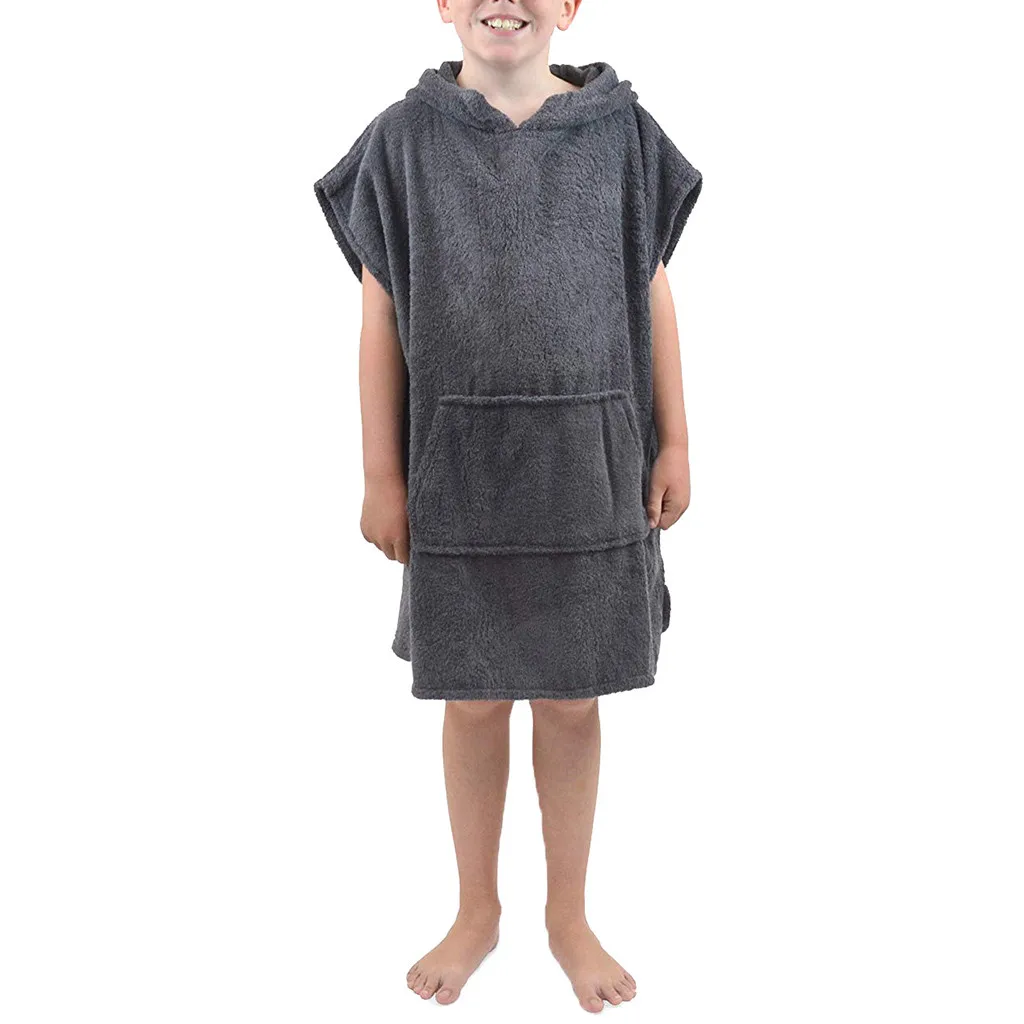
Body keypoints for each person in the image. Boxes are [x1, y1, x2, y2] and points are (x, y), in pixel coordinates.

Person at [312, 0, 701, 1012]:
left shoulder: (623, 136)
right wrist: (381, 475)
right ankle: (476, 908)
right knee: (474, 696)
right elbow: (378, 312)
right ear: (443, 4)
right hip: (461, 472)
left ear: (569, 7)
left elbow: (653, 290)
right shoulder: (402, 142)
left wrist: (677, 439)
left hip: (590, 466)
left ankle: (568, 915)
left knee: (573, 700)